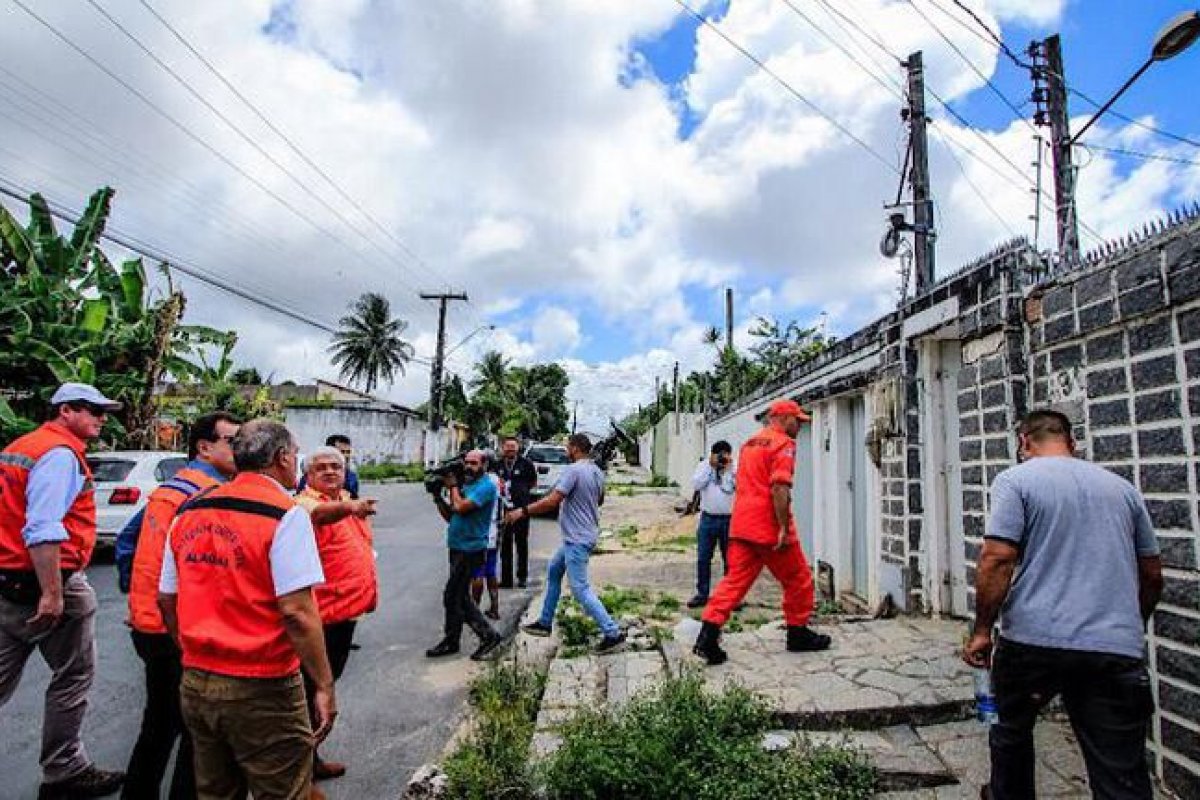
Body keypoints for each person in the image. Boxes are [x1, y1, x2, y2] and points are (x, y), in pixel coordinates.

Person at [962, 410, 1163, 800]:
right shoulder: (1123, 490)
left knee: (1011, 734)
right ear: (1072, 443)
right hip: (1113, 646)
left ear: (1024, 443)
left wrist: (982, 631)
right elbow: (1152, 574)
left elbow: (997, 558)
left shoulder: (1016, 480)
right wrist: (1129, 624)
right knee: (1120, 768)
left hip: (1034, 641)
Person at [159, 419, 336, 800]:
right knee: (283, 790)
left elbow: (167, 598)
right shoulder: (285, 514)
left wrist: (191, 651)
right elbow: (297, 612)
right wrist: (324, 684)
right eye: (295, 453)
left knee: (216, 791)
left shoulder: (190, 510)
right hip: (262, 684)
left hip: (197, 680)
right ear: (282, 457)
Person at [0, 382, 126, 798]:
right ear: (65, 410)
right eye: (92, 410)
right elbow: (43, 527)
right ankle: (65, 768)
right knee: (73, 675)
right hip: (48, 581)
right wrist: (52, 593)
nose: (101, 418)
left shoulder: (23, 446)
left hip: (9, 579)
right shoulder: (58, 454)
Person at [120, 412, 241, 800]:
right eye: (232, 441)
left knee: (160, 724)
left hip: (150, 624)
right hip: (179, 627)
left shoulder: (173, 488)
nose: (239, 449)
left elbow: (127, 543)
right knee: (198, 732)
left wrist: (137, 599)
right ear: (204, 447)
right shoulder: (205, 495)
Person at [692, 399, 830, 665]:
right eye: (798, 420)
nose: (800, 426)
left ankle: (707, 636)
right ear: (784, 418)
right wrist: (782, 527)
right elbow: (779, 487)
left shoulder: (750, 444)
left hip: (742, 524)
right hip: (768, 525)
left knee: (734, 582)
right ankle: (798, 633)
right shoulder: (783, 444)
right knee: (799, 578)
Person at [294, 445, 378, 783]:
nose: (330, 471)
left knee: (322, 688)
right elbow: (317, 514)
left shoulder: (344, 498)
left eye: (336, 466)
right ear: (308, 475)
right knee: (313, 691)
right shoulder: (305, 503)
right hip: (322, 617)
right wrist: (351, 507)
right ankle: (300, 767)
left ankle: (309, 759)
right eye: (322, 467)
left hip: (345, 614)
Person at [513, 434, 625, 653]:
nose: (566, 450)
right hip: (582, 535)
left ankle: (613, 633)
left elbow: (553, 501)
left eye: (567, 447)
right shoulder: (596, 471)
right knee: (554, 571)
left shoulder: (573, 470)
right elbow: (599, 499)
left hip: (577, 539)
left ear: (575, 448)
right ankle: (545, 622)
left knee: (580, 588)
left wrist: (522, 511)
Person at [425, 449, 504, 661]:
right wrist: (437, 497)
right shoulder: (466, 486)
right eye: (467, 462)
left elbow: (460, 507)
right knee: (458, 596)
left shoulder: (487, 486)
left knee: (454, 596)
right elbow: (451, 516)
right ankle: (453, 640)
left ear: (484, 465)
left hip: (472, 549)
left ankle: (488, 636)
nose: (468, 467)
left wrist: (452, 486)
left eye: (474, 463)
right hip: (457, 547)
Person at [686, 440, 736, 609]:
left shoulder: (734, 467)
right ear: (712, 455)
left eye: (725, 454)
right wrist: (710, 466)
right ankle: (702, 594)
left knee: (730, 560)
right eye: (718, 455)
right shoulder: (704, 466)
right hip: (708, 518)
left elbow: (742, 485)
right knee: (703, 558)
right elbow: (696, 484)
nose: (722, 458)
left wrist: (729, 468)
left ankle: (731, 596)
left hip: (729, 519)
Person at [494, 437, 536, 588]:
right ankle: (506, 579)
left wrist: (521, 493)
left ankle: (522, 577)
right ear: (503, 448)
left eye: (513, 446)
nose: (510, 449)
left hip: (521, 510)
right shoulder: (497, 464)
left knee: (521, 544)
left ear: (518, 448)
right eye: (507, 446)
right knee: (505, 545)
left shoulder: (526, 464)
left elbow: (533, 482)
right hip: (503, 510)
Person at [471, 470, 503, 621]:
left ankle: (475, 610)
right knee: (490, 571)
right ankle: (494, 607)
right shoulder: (496, 480)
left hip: (480, 531)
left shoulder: (481, 483)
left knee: (477, 572)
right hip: (494, 530)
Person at [298, 435, 360, 499]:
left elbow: (354, 499)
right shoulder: (310, 476)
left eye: (348, 452)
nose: (346, 455)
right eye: (342, 452)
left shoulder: (352, 476)